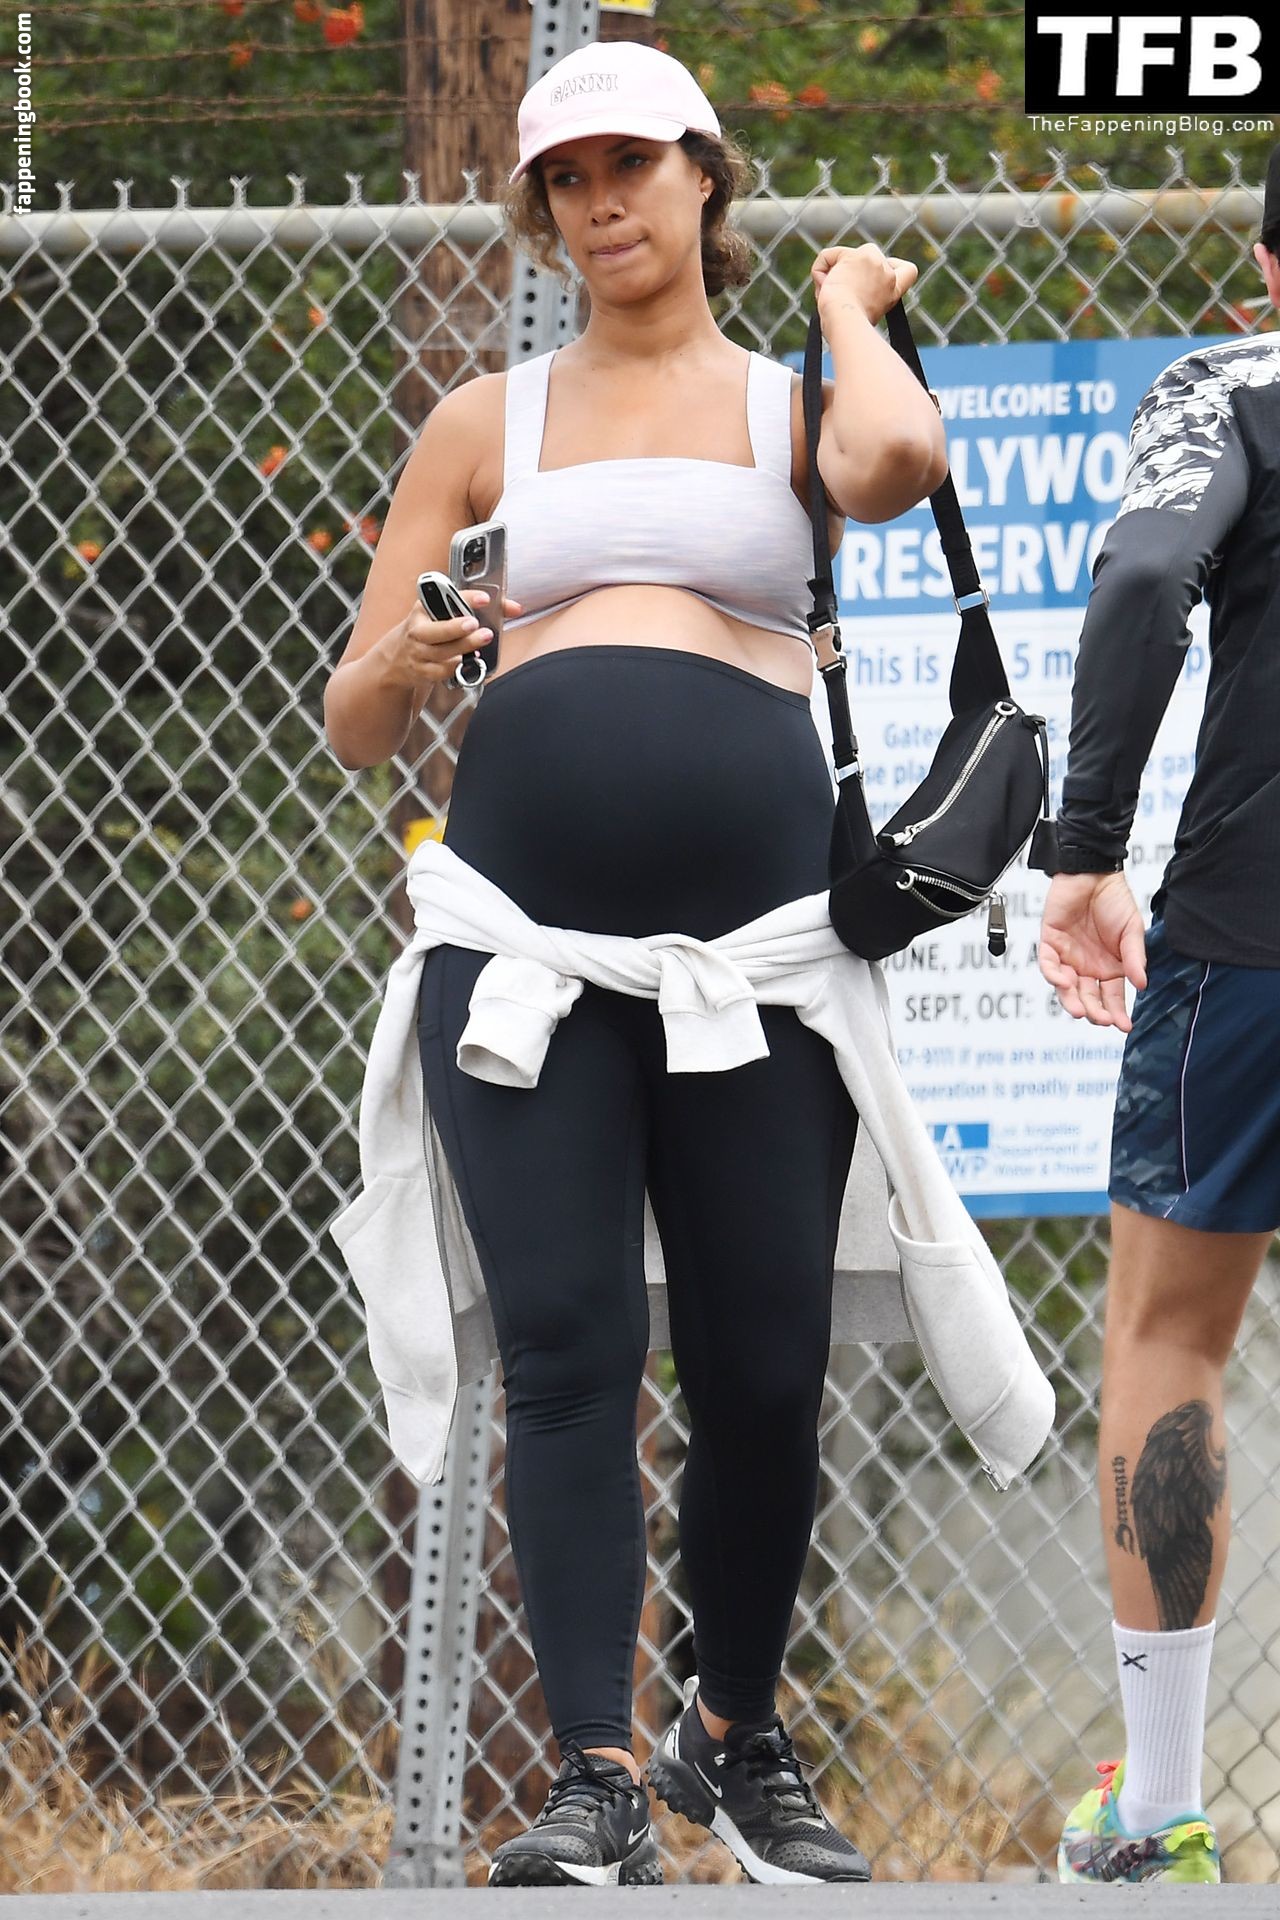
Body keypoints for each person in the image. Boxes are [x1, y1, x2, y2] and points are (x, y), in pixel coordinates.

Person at [326, 41, 951, 1888]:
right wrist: (413, 656)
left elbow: (900, 462)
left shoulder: (791, 404)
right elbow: (356, 720)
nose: (601, 205)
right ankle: (595, 1772)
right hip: (525, 953)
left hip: (755, 963)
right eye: (568, 180)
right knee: (571, 1349)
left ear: (703, 177)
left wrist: (846, 307)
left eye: (632, 167)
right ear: (544, 212)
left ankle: (732, 1735)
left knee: (762, 1361)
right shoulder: (485, 421)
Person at [1036, 144, 1280, 1887]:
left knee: (1171, 1338)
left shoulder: (1233, 387)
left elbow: (1137, 585)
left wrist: (1082, 851)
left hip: (1251, 936)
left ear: (1267, 265)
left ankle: (1159, 1814)